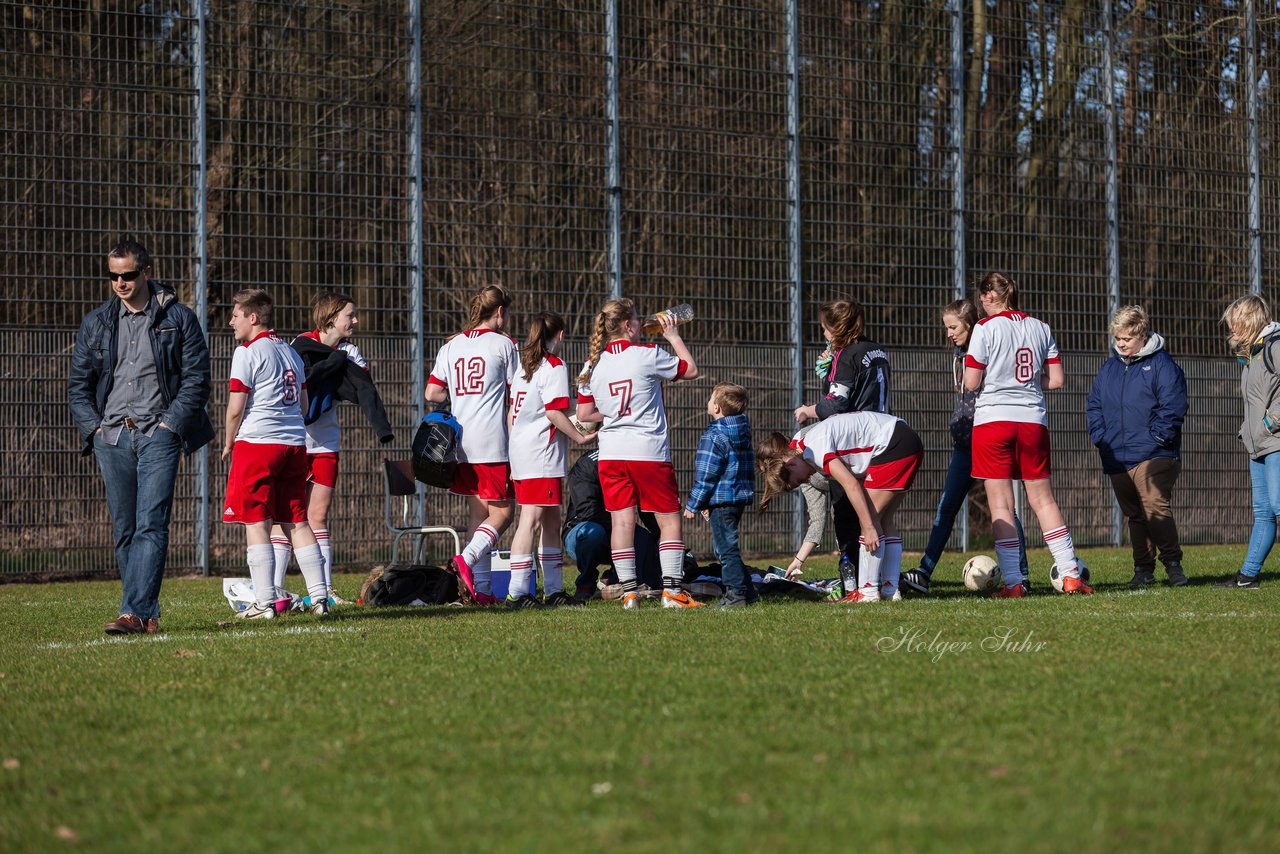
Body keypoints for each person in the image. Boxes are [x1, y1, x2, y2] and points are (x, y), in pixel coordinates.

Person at [68, 239, 215, 635]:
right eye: (113, 275)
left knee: (152, 522)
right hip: (112, 437)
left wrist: (171, 426)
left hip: (158, 435)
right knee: (125, 529)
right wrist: (95, 430)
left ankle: (132, 612)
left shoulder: (179, 318)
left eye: (128, 275)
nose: (120, 282)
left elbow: (197, 379)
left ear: (146, 272)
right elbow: (79, 386)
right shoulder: (96, 322)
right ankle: (145, 613)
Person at [964, 272, 1091, 597]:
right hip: (1032, 421)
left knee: (1002, 507)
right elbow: (1057, 379)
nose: (981, 302)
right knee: (1043, 500)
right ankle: (1070, 575)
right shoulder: (1041, 327)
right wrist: (1027, 385)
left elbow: (972, 382)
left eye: (982, 296)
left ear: (991, 296)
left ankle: (1013, 583)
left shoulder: (984, 328)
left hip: (994, 421)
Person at [576, 298, 701, 609]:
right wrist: (673, 337)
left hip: (611, 454)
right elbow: (691, 370)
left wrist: (615, 414)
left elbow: (584, 412)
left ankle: (629, 593)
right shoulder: (646, 354)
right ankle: (672, 592)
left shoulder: (592, 365)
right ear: (629, 325)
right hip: (648, 451)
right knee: (669, 520)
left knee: (622, 523)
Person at [271, 292, 393, 605]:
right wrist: (332, 363)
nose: (355, 321)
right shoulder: (301, 343)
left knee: (318, 516)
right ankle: (272, 591)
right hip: (294, 440)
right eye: (349, 315)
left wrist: (382, 429)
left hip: (325, 444)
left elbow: (365, 390)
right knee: (284, 516)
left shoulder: (351, 350)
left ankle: (323, 592)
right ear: (331, 318)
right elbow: (304, 380)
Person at [901, 299, 1030, 597]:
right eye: (946, 327)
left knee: (1005, 510)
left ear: (970, 325)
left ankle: (1020, 576)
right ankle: (924, 572)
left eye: (953, 327)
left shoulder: (987, 351)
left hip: (988, 443)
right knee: (946, 508)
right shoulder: (958, 354)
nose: (948, 333)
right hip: (964, 446)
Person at [222, 289, 331, 618]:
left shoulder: (248, 352)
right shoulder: (290, 352)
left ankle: (264, 602)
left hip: (257, 445)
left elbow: (234, 408)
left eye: (236, 315)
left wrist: (228, 442)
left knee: (256, 522)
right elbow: (304, 404)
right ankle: (321, 598)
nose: (231, 322)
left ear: (253, 318)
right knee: (296, 521)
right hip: (295, 446)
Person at [758, 410, 923, 602]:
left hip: (893, 444)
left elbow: (851, 484)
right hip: (904, 439)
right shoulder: (801, 448)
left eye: (797, 481)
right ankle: (890, 590)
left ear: (791, 464)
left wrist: (867, 527)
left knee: (869, 522)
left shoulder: (815, 449)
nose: (803, 481)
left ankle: (868, 593)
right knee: (884, 521)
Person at [426, 284, 519, 605]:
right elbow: (517, 390)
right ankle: (464, 559)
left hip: (460, 444)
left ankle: (481, 591)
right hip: (493, 441)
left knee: (478, 515)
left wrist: (462, 398)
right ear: (499, 313)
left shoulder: (451, 346)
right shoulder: (505, 344)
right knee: (504, 513)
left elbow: (432, 393)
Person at [1086, 305, 1189, 588]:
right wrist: (1100, 437)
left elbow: (1173, 407)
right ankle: (1143, 569)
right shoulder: (1109, 368)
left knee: (1154, 505)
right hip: (1116, 455)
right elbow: (1094, 405)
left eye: (1126, 339)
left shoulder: (1163, 365)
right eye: (1117, 338)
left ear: (1142, 334)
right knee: (1135, 514)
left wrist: (1156, 439)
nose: (1121, 344)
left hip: (1155, 453)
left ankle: (1172, 563)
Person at [792, 297, 890, 576]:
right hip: (882, 439)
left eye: (825, 328)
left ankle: (852, 573)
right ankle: (883, 578)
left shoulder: (847, 356)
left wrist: (807, 411)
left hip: (853, 442)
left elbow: (837, 403)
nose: (823, 333)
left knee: (847, 511)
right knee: (878, 514)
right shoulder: (876, 349)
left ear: (838, 329)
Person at [505, 311, 595, 609]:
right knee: (529, 519)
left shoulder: (523, 366)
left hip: (523, 452)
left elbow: (512, 414)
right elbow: (554, 413)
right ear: (560, 336)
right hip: (539, 455)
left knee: (551, 520)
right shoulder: (554, 365)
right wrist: (580, 436)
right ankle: (517, 593)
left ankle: (553, 590)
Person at [1215, 294, 1280, 590]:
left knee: (1279, 507)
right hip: (1257, 446)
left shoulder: (1275, 346)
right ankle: (1248, 576)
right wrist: (1247, 429)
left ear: (1250, 320)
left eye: (1235, 324)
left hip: (1276, 441)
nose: (1232, 330)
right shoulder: (1251, 354)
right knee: (1263, 513)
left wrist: (1272, 421)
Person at [683, 383, 756, 607]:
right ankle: (747, 590)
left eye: (710, 398)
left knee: (725, 548)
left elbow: (707, 475)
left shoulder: (714, 436)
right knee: (725, 546)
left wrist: (693, 504)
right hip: (738, 496)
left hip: (721, 499)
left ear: (716, 407)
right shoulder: (742, 431)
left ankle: (736, 594)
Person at [563, 449, 664, 597]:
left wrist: (660, 536)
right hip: (583, 530)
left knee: (643, 538)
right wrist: (620, 526)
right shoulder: (587, 464)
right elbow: (587, 512)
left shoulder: (632, 462)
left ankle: (618, 580)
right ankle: (586, 584)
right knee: (593, 534)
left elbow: (645, 506)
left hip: (617, 528)